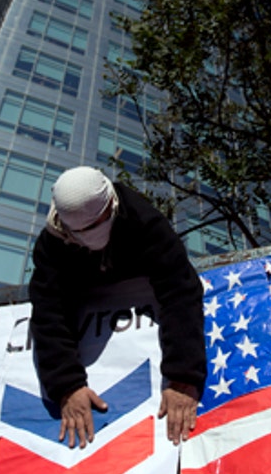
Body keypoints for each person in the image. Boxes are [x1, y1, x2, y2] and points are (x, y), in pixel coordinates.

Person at [29, 167, 206, 448]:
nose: (93, 233)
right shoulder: (51, 246)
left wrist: (182, 375)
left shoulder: (141, 218)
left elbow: (180, 290)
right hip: (85, 295)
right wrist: (67, 385)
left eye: (100, 221)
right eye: (83, 230)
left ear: (112, 204)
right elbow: (48, 314)